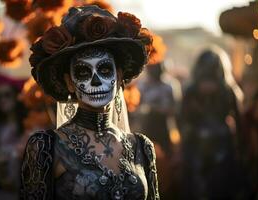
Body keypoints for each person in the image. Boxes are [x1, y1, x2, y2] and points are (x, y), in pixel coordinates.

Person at [20, 6, 159, 200]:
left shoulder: (141, 147)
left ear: (118, 77)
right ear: (69, 82)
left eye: (104, 70)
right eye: (84, 72)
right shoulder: (47, 147)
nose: (95, 82)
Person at [180, 47, 247, 199]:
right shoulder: (227, 90)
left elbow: (182, 118)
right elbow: (183, 118)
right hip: (202, 145)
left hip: (215, 145)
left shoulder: (226, 90)